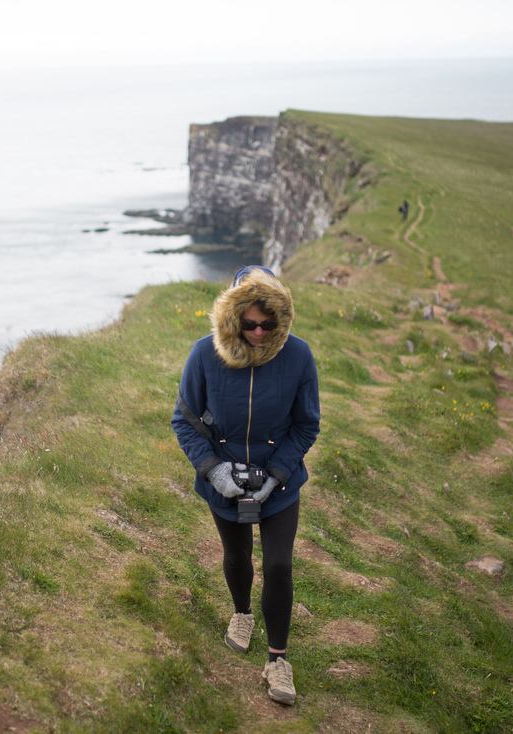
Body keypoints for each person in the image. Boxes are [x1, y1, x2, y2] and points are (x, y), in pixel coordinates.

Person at [171, 265, 321, 705]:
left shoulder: (299, 356)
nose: (258, 333)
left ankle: (278, 660)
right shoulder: (204, 354)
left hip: (280, 483)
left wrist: (277, 475)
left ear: (281, 319)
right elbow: (184, 420)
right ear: (233, 317)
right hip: (224, 480)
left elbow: (306, 425)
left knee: (278, 565)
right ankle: (242, 613)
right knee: (236, 556)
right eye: (249, 324)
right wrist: (214, 470)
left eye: (268, 325)